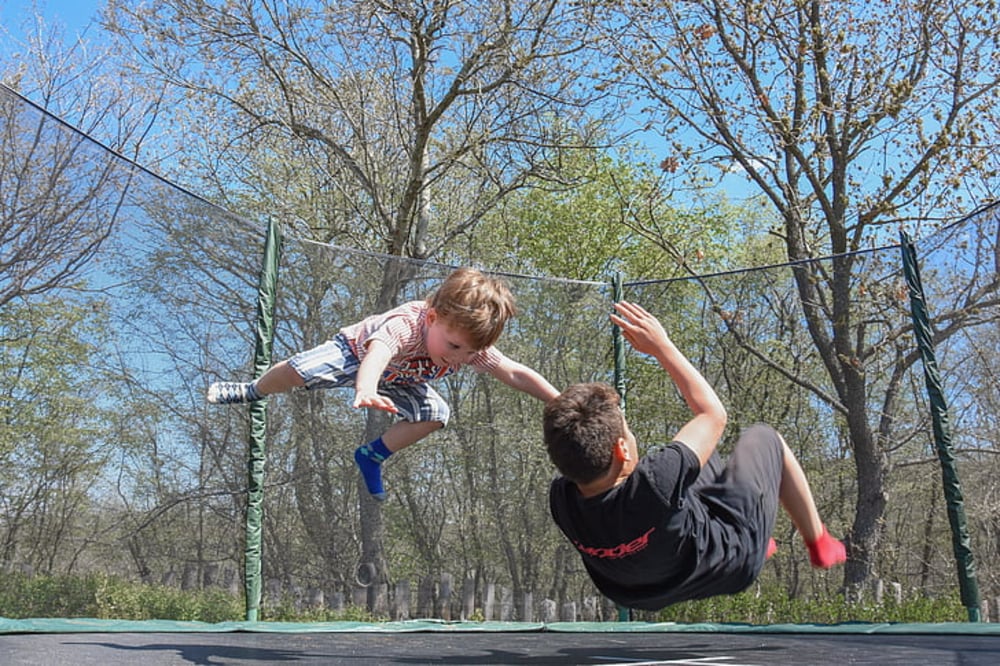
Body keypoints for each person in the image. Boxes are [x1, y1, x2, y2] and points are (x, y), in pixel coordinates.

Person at [543, 300, 846, 611]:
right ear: (621, 450)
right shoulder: (657, 481)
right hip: (732, 565)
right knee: (764, 438)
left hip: (634, 593)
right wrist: (661, 347)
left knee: (702, 458)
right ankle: (819, 542)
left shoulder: (561, 499)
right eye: (628, 432)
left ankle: (750, 526)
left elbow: (570, 436)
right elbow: (713, 414)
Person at [208, 267, 560, 501]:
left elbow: (513, 372)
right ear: (433, 318)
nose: (458, 359)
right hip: (356, 356)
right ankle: (253, 389)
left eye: (470, 353)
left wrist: (557, 400)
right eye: (453, 347)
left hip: (402, 380)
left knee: (437, 412)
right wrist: (366, 388)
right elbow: (379, 351)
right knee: (300, 370)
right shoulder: (407, 324)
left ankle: (371, 455)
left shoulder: (467, 349)